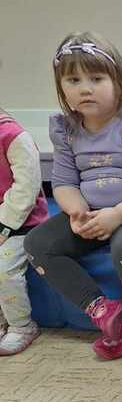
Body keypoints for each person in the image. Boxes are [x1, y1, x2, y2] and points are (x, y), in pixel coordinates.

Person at [24, 33, 122, 359]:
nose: (85, 88)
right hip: (93, 212)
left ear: (119, 81)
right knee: (37, 244)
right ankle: (101, 308)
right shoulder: (67, 130)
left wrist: (118, 214)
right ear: (61, 87)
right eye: (73, 80)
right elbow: (63, 182)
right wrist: (76, 211)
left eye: (96, 79)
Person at [0, 111, 47, 355]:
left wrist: (4, 226)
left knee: (3, 268)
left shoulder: (13, 136)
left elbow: (26, 188)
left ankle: (22, 326)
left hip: (22, 223)